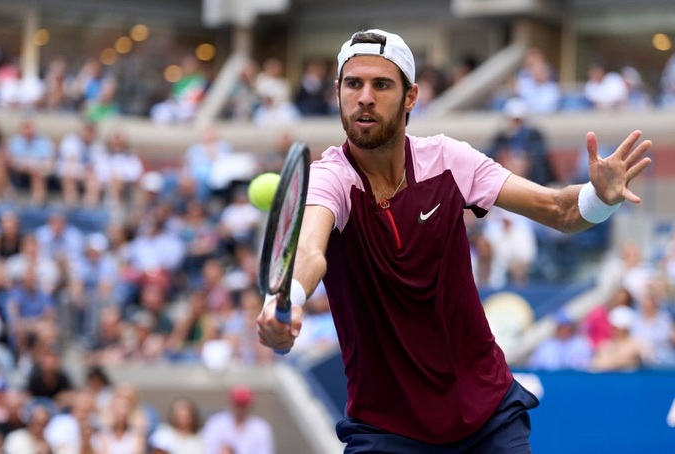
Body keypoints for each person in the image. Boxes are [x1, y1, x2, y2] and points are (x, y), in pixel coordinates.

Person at [256, 29, 652, 453]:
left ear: (410, 97)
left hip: (487, 415)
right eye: (353, 84)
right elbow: (312, 249)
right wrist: (289, 299)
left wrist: (599, 198)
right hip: (386, 427)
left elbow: (558, 210)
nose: (365, 97)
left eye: (382, 84)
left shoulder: (447, 160)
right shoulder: (330, 178)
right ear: (337, 92)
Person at [202, 385, 274, 454]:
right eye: (237, 405)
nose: (240, 409)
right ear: (231, 402)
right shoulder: (216, 423)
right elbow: (208, 450)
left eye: (243, 405)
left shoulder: (261, 428)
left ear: (250, 405)